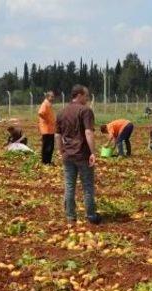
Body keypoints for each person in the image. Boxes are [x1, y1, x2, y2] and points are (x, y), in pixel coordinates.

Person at [55, 84, 101, 224]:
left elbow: (57, 135)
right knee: (87, 185)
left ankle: (70, 216)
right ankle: (91, 216)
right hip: (82, 154)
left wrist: (60, 150)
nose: (87, 98)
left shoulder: (61, 112)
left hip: (68, 155)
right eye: (86, 96)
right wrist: (93, 152)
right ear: (79, 95)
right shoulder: (85, 111)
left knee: (69, 185)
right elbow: (88, 132)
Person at [38, 91, 56, 164]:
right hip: (46, 129)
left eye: (53, 96)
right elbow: (40, 113)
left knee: (50, 146)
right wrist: (48, 120)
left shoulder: (48, 104)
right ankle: (45, 162)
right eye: (51, 96)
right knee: (47, 147)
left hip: (50, 129)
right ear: (47, 97)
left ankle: (48, 161)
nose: (53, 98)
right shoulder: (45, 104)